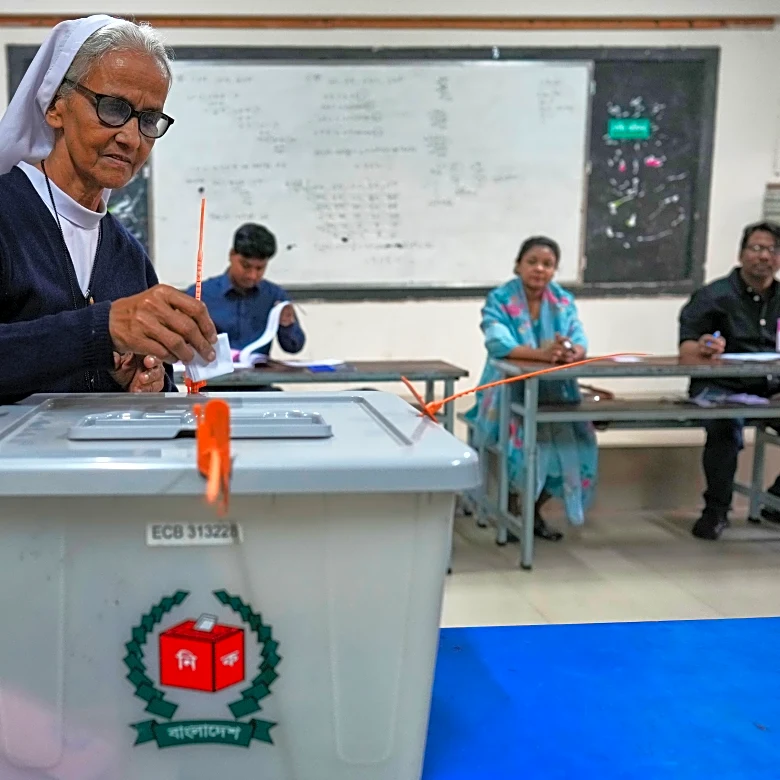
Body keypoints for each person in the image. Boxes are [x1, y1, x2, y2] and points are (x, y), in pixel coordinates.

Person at [0, 15, 217, 405]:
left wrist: (143, 383)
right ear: (54, 106)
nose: (131, 137)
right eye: (113, 108)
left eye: (149, 119)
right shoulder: (5, 215)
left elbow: (151, 380)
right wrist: (102, 329)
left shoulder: (128, 257)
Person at [464, 236, 598, 541]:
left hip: (554, 392)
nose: (539, 269)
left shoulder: (562, 301)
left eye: (548, 264)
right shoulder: (500, 299)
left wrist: (571, 352)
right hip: (505, 390)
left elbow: (579, 339)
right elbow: (499, 343)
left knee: (580, 442)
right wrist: (543, 355)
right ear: (518, 265)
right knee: (522, 443)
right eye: (532, 262)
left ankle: (531, 512)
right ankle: (512, 511)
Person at [679, 220, 780, 540]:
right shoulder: (713, 296)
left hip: (770, 386)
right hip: (722, 385)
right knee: (725, 424)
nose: (764, 256)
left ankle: (776, 500)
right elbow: (686, 351)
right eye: (757, 248)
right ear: (741, 254)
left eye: (773, 250)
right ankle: (716, 510)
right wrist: (705, 348)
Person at [187, 223, 305, 357]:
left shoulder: (274, 295)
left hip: (257, 375)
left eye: (260, 268)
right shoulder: (199, 294)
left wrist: (287, 324)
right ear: (231, 255)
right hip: (213, 374)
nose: (252, 275)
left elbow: (294, 347)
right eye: (245, 266)